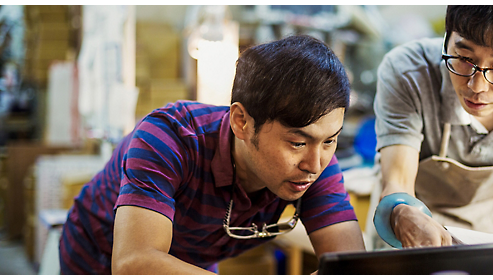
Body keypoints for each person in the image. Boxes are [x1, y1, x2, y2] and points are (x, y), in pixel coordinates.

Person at [59, 34, 365, 274]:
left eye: (330, 141)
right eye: (297, 143)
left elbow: (352, 267)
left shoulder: (317, 161)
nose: (314, 165)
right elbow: (133, 263)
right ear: (242, 122)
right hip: (98, 256)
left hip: (193, 264)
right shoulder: (168, 138)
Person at [372, 5, 493, 248]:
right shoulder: (408, 72)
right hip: (409, 226)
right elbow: (398, 181)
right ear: (447, 39)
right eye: (465, 59)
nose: (476, 86)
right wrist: (402, 213)